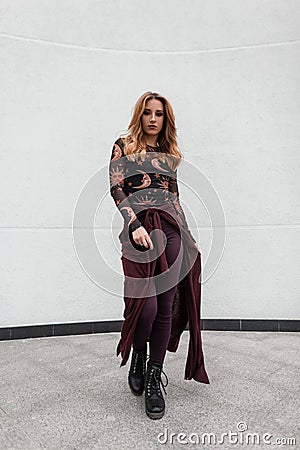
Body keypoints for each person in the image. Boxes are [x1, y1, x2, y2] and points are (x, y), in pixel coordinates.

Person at [109, 91, 209, 420]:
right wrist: (133, 223)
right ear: (140, 114)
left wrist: (188, 236)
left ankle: (154, 374)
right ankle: (138, 353)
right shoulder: (123, 145)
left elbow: (174, 198)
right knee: (146, 304)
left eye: (159, 114)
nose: (153, 119)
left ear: (166, 120)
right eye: (148, 112)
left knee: (165, 304)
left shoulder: (168, 155)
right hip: (138, 229)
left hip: (170, 229)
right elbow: (116, 187)